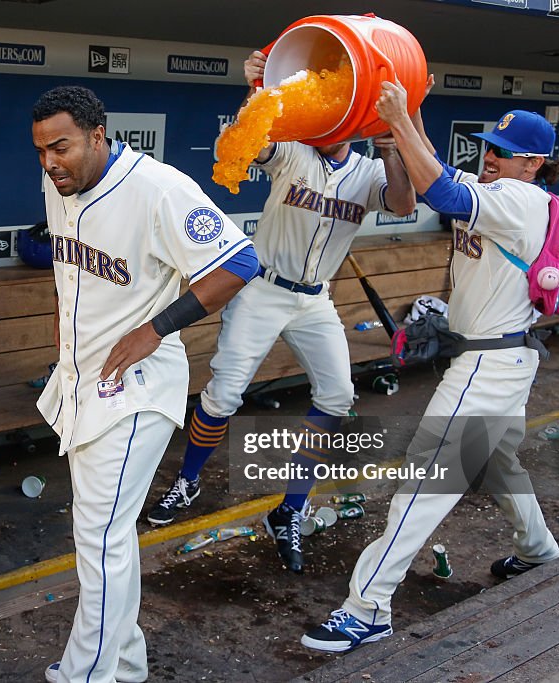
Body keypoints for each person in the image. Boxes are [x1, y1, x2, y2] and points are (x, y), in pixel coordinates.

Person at [302, 87, 559, 653]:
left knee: (425, 481)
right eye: (490, 146)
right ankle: (539, 549)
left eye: (505, 150)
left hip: (488, 364)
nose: (490, 156)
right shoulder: (500, 191)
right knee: (498, 463)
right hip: (501, 356)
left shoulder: (520, 199)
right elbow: (440, 171)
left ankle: (368, 605)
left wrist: (398, 120)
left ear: (534, 162)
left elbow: (440, 189)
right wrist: (410, 109)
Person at [145, 50, 417, 575]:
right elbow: (252, 144)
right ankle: (188, 480)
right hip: (263, 290)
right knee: (223, 394)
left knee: (337, 397)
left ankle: (289, 509)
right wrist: (259, 91)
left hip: (315, 300)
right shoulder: (293, 151)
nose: (333, 119)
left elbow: (404, 205)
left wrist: (391, 148)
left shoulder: (366, 171)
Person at [31, 85, 258, 683]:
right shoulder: (60, 185)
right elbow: (65, 272)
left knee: (99, 537)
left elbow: (238, 263)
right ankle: (125, 664)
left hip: (135, 388)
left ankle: (87, 675)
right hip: (83, 384)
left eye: (62, 147)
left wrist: (156, 329)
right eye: (41, 151)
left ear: (97, 134)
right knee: (108, 537)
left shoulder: (157, 187)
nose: (51, 161)